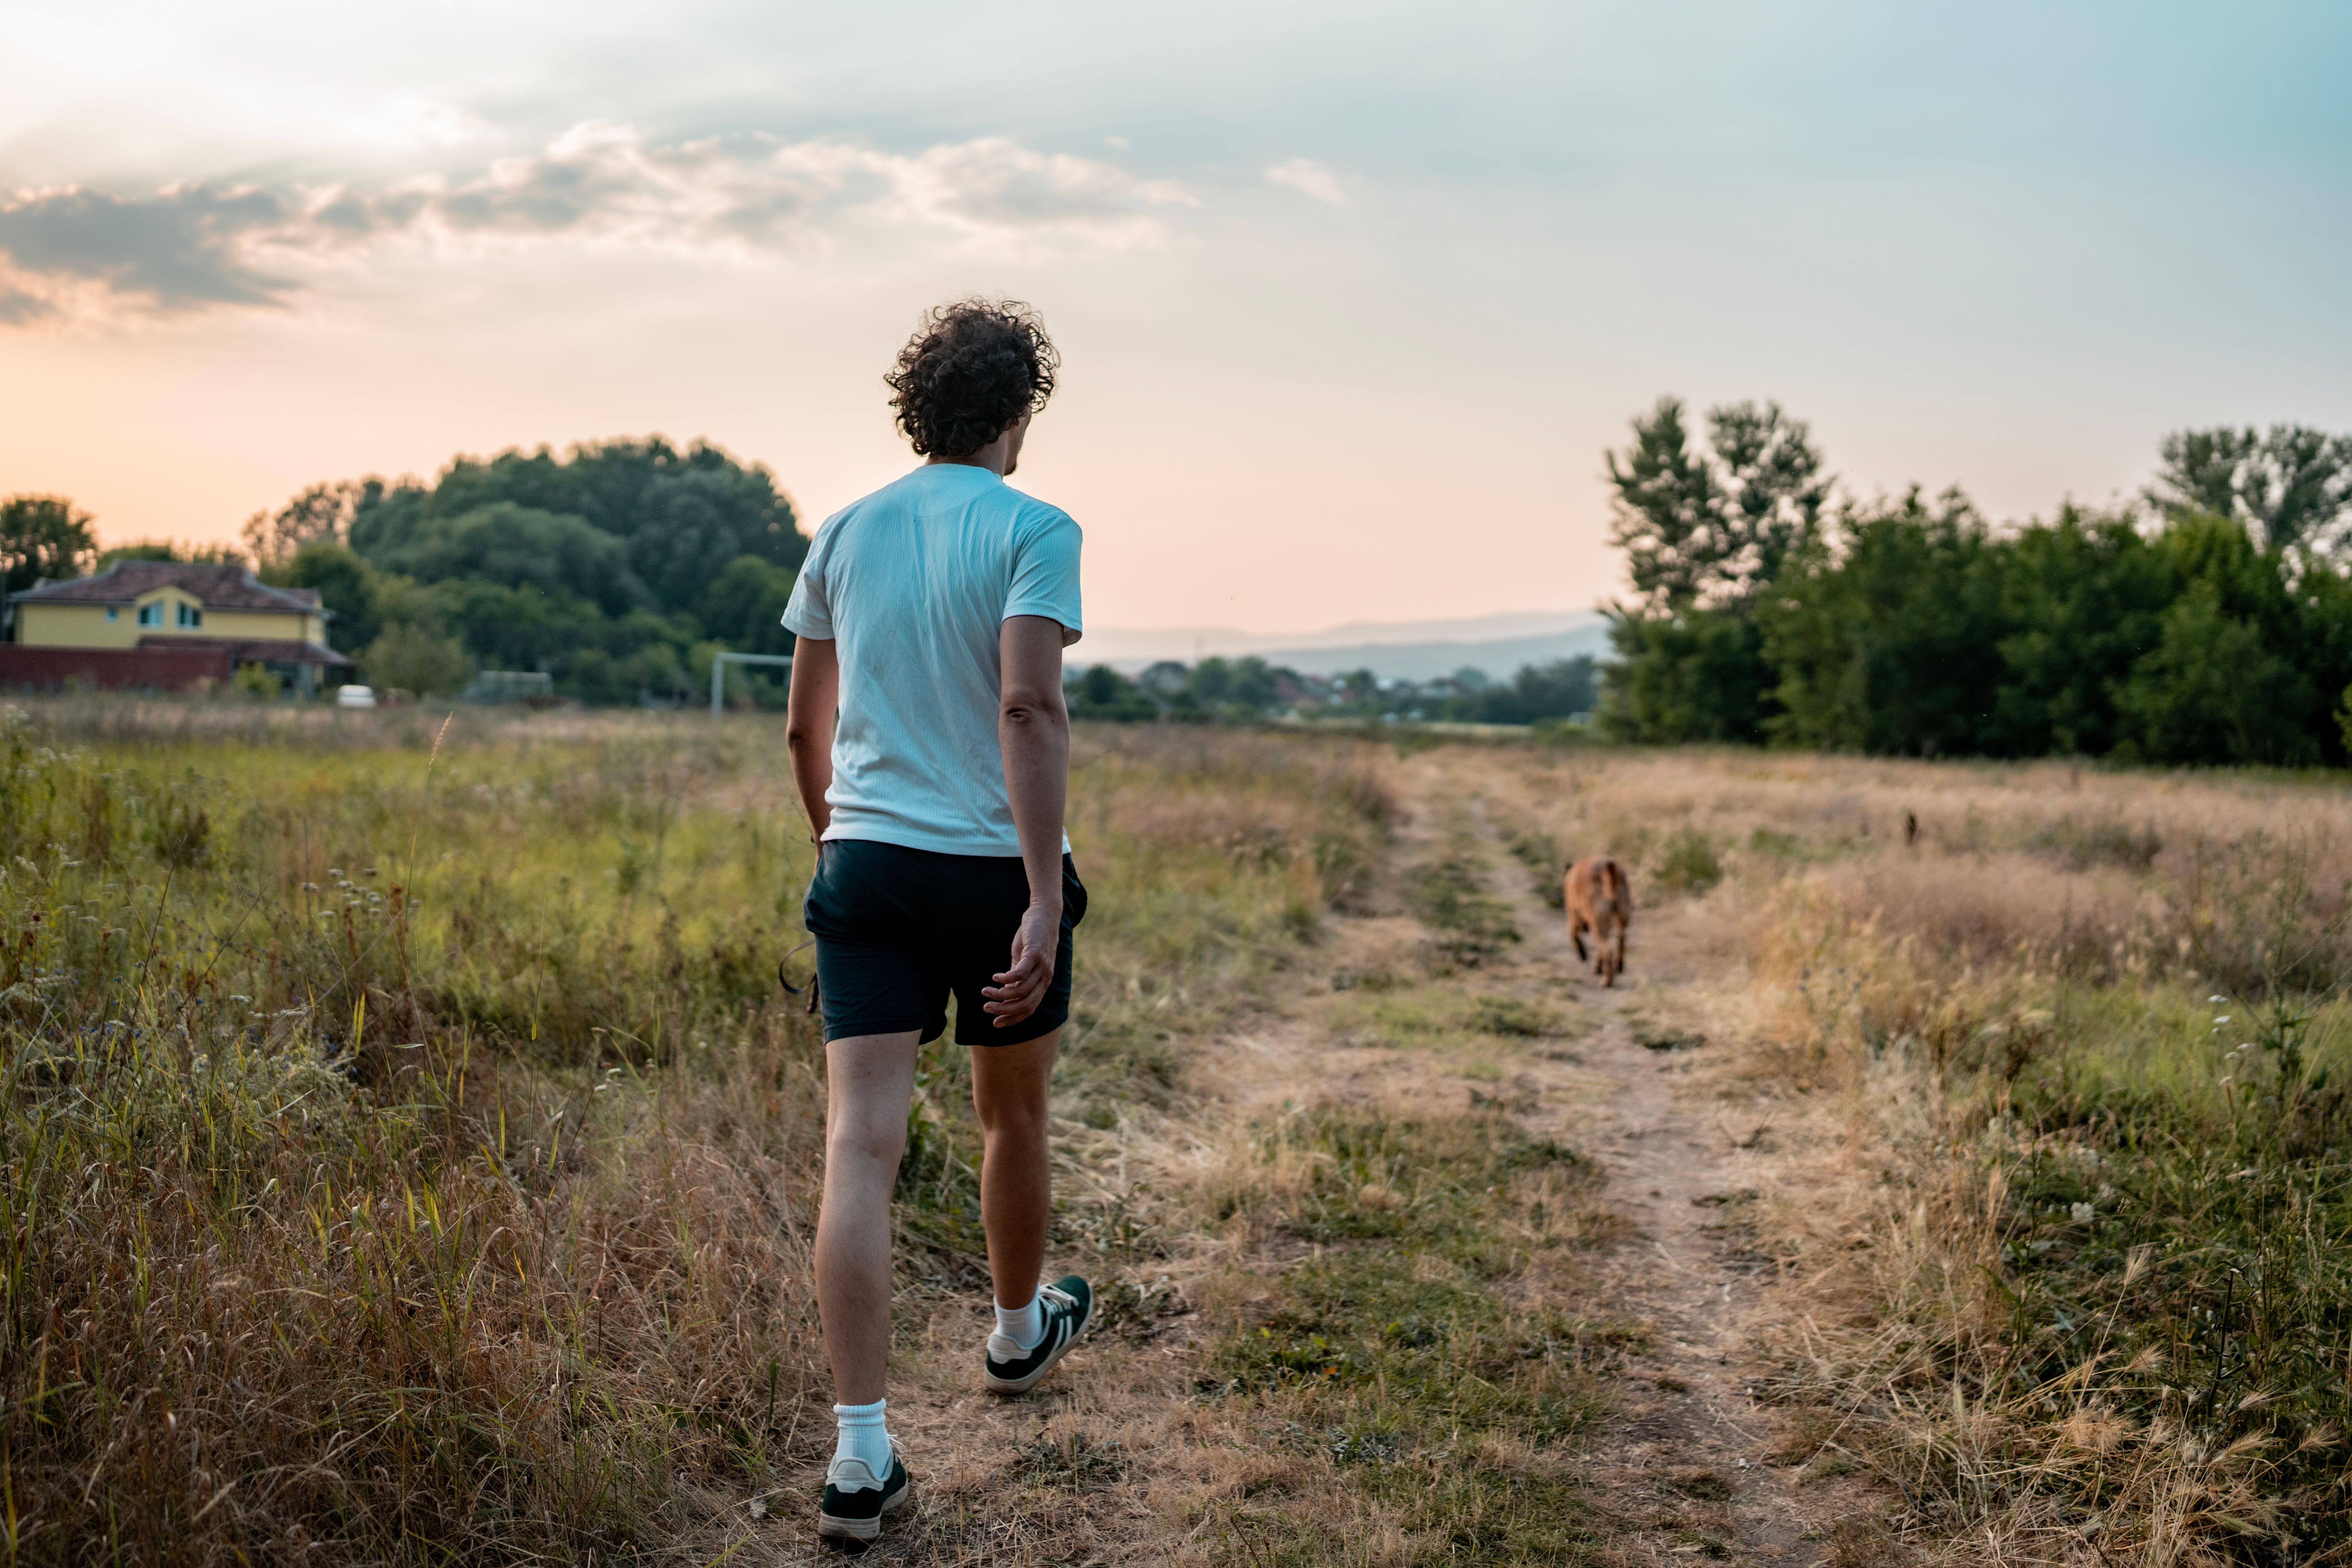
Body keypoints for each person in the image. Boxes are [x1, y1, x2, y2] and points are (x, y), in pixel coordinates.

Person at [782, 298, 1093, 1546]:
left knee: (858, 1149)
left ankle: (861, 1458)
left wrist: (838, 844)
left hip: (863, 863)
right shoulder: (1035, 528)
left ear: (919, 410)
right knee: (1010, 1114)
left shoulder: (844, 530)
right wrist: (1040, 897)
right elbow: (1028, 707)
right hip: (990, 871)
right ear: (1018, 412)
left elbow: (803, 728)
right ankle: (1017, 1337)